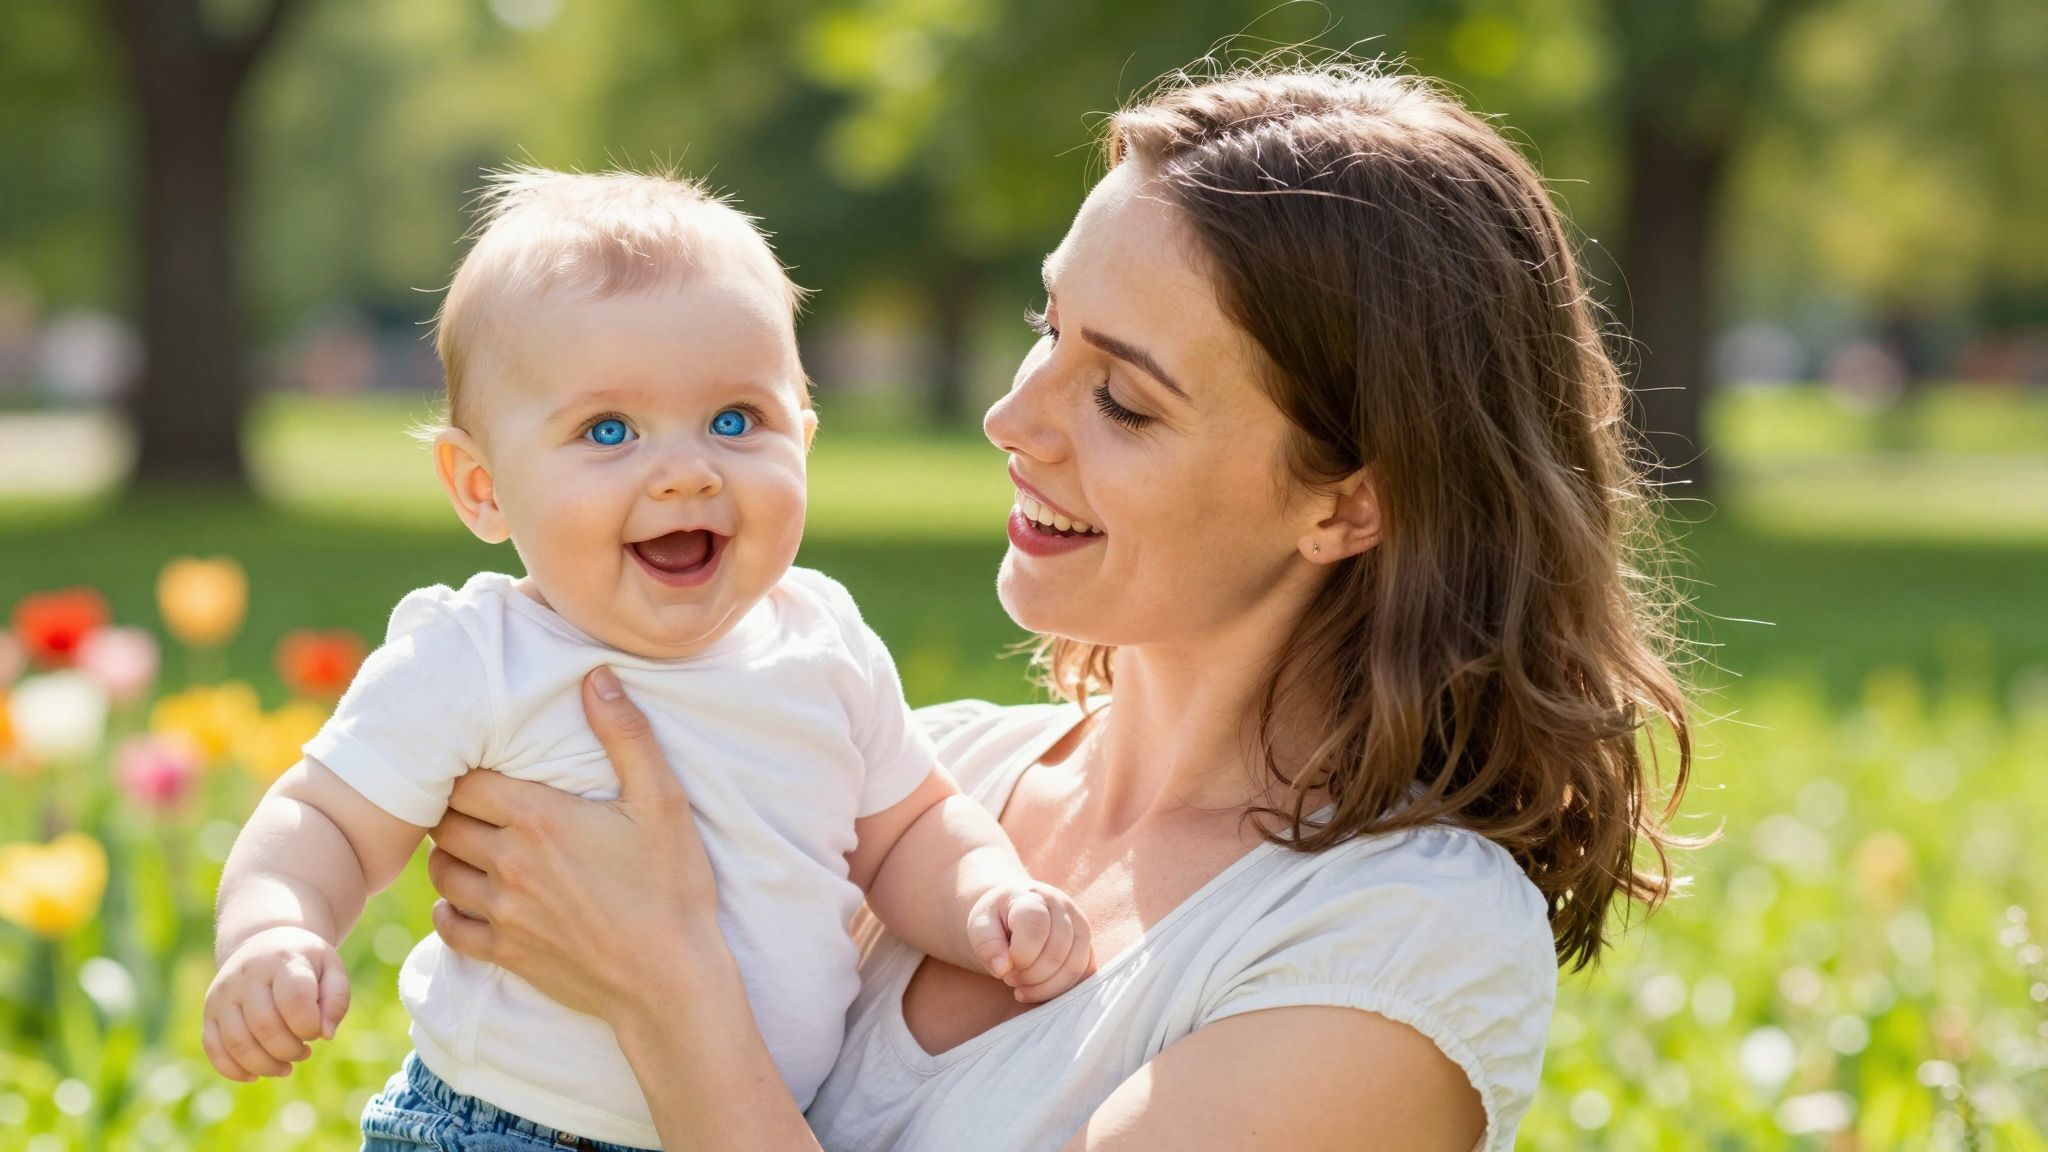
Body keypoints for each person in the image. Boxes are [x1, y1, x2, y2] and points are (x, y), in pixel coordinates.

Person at [420, 62, 1695, 1151]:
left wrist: (664, 991)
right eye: (1049, 325)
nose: (1012, 418)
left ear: (1347, 503)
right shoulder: (921, 773)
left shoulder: (1397, 939)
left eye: (1124, 400)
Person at [200, 167, 1094, 1152]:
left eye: (733, 421)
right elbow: (321, 816)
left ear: (802, 437)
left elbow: (909, 828)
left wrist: (985, 900)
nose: (685, 470)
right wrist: (274, 932)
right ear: (481, 488)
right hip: (503, 1128)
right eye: (608, 430)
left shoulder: (822, 639)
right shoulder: (481, 657)